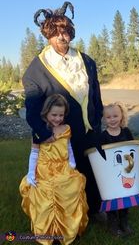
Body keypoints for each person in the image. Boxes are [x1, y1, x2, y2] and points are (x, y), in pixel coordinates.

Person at [22, 2, 103, 215]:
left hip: (90, 131)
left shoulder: (87, 61)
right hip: (62, 137)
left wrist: (97, 121)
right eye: (56, 32)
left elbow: (96, 95)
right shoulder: (35, 70)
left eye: (65, 31)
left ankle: (94, 210)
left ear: (71, 33)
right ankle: (71, 218)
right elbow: (32, 109)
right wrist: (45, 133)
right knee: (67, 182)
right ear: (47, 35)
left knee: (95, 173)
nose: (61, 37)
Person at [19, 94, 89, 245]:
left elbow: (68, 147)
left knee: (71, 188)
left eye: (61, 115)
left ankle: (68, 230)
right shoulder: (40, 130)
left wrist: (72, 162)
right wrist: (31, 173)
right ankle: (49, 233)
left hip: (63, 167)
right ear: (46, 113)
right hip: (45, 168)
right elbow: (34, 153)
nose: (57, 118)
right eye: (54, 115)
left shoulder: (66, 128)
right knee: (46, 193)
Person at [100, 102, 134, 237]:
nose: (112, 119)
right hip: (111, 174)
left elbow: (133, 149)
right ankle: (113, 223)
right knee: (112, 198)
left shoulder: (126, 132)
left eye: (115, 116)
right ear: (104, 119)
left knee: (125, 195)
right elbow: (101, 156)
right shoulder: (103, 136)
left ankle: (124, 222)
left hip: (126, 172)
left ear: (121, 116)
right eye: (108, 117)